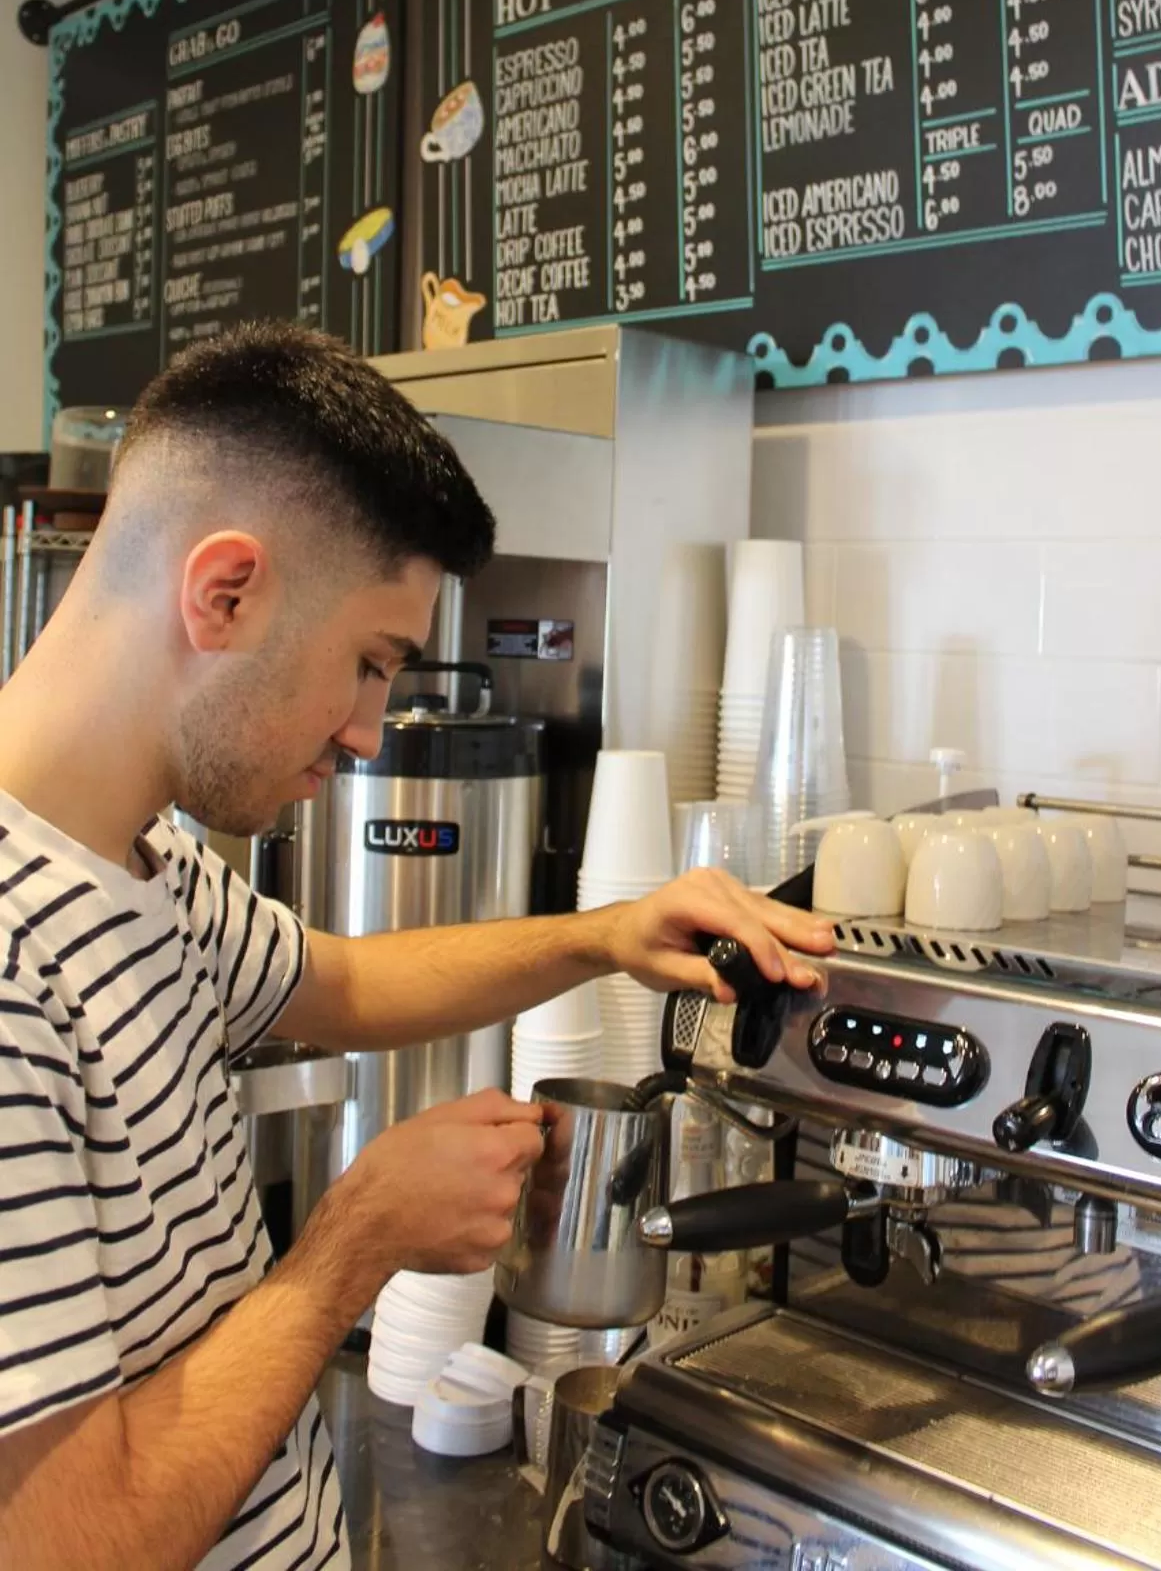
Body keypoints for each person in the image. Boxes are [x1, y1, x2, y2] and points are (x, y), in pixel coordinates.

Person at [0, 323, 833, 1571]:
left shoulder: (140, 861)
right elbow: (72, 1544)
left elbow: (341, 978)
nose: (366, 734)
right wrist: (359, 1237)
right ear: (223, 591)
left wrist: (607, 933)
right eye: (369, 663)